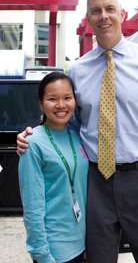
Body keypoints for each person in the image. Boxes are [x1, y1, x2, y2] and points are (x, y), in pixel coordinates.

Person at [17, 0, 138, 263]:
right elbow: (69, 124)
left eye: (110, 9)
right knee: (98, 257)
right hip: (96, 181)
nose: (104, 16)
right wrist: (36, 135)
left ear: (121, 15)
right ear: (88, 18)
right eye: (96, 11)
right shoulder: (77, 70)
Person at [18, 72, 89, 263]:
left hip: (81, 243)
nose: (61, 105)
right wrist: (41, 254)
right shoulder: (32, 144)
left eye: (67, 98)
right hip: (54, 248)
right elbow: (32, 206)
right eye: (52, 99)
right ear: (41, 104)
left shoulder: (78, 137)